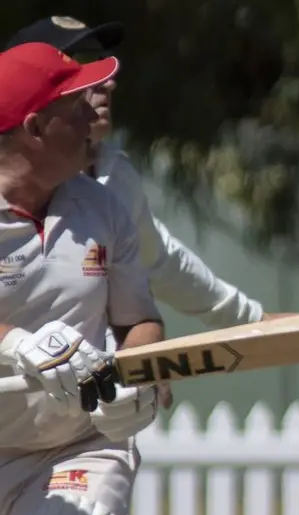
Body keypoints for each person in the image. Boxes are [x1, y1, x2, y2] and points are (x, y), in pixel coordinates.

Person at [0, 41, 166, 515]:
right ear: (35, 127)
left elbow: (140, 323)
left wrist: (138, 383)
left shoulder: (100, 204)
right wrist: (19, 346)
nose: (91, 118)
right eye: (74, 108)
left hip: (77, 447)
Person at [5, 16, 283, 335]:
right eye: (79, 66)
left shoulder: (114, 176)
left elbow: (162, 264)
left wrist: (254, 323)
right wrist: (16, 345)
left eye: (101, 64)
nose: (108, 82)